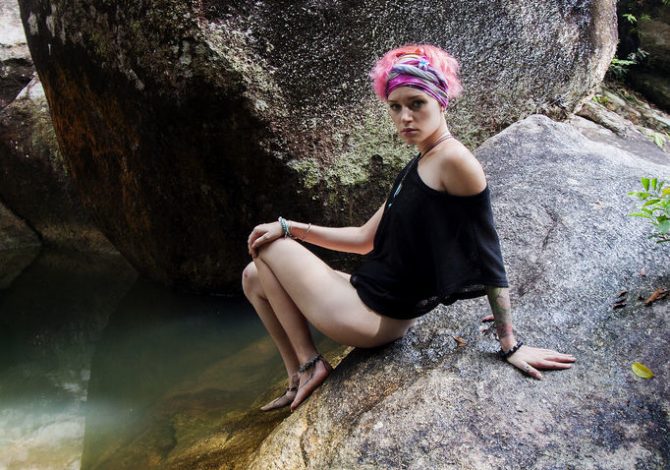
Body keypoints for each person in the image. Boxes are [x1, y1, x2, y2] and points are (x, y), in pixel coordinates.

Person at [242, 44, 575, 413]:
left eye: (417, 103)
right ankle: (296, 375)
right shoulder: (421, 162)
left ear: (441, 101)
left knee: (270, 246)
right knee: (253, 276)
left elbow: (487, 250)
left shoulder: (454, 161)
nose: (405, 117)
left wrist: (510, 343)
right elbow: (363, 239)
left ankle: (310, 364)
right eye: (395, 107)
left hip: (376, 315)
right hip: (366, 293)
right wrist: (292, 226)